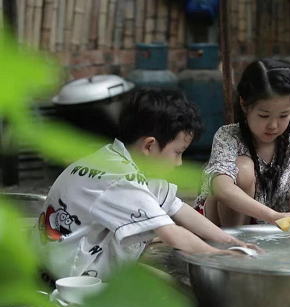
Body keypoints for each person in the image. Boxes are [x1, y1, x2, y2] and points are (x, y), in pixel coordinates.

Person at [30, 88, 255, 283]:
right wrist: (221, 257)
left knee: (180, 293)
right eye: (178, 153)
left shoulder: (122, 161)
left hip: (70, 266)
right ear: (149, 145)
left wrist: (230, 241)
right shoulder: (121, 178)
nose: (179, 163)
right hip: (69, 281)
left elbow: (177, 208)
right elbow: (172, 235)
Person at [194, 59, 290, 228]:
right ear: (244, 105)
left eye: (283, 116)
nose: (273, 125)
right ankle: (235, 245)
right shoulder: (228, 136)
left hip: (270, 220)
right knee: (243, 167)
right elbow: (222, 188)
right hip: (221, 222)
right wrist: (272, 215)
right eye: (264, 116)